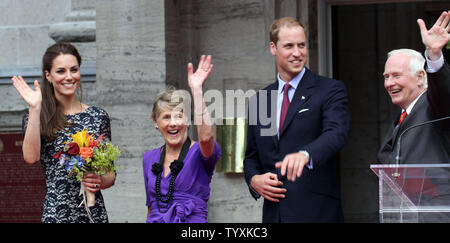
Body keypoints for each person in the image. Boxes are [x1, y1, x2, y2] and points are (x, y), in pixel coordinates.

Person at [244, 17, 350, 222]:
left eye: (302, 45)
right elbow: (252, 156)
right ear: (273, 48)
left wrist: (306, 154)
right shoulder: (260, 100)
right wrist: (254, 179)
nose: (297, 53)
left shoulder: (330, 89)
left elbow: (336, 133)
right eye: (289, 46)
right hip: (275, 215)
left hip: (317, 212)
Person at [11, 42, 115, 223]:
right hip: (57, 213)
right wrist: (35, 108)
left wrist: (97, 179)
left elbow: (110, 175)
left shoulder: (98, 116)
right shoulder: (38, 117)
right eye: (61, 71)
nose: (69, 77)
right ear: (48, 76)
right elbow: (30, 157)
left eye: (74, 70)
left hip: (93, 213)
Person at [143, 55, 221, 223]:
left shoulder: (199, 152)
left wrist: (197, 89)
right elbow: (151, 208)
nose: (173, 123)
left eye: (179, 116)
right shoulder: (149, 158)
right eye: (166, 117)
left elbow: (206, 138)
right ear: (155, 122)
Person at [378, 10, 450, 164]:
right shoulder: (403, 115)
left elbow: (444, 91)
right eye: (386, 77)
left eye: (397, 76)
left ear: (420, 77)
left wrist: (434, 54)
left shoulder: (435, 106)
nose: (389, 83)